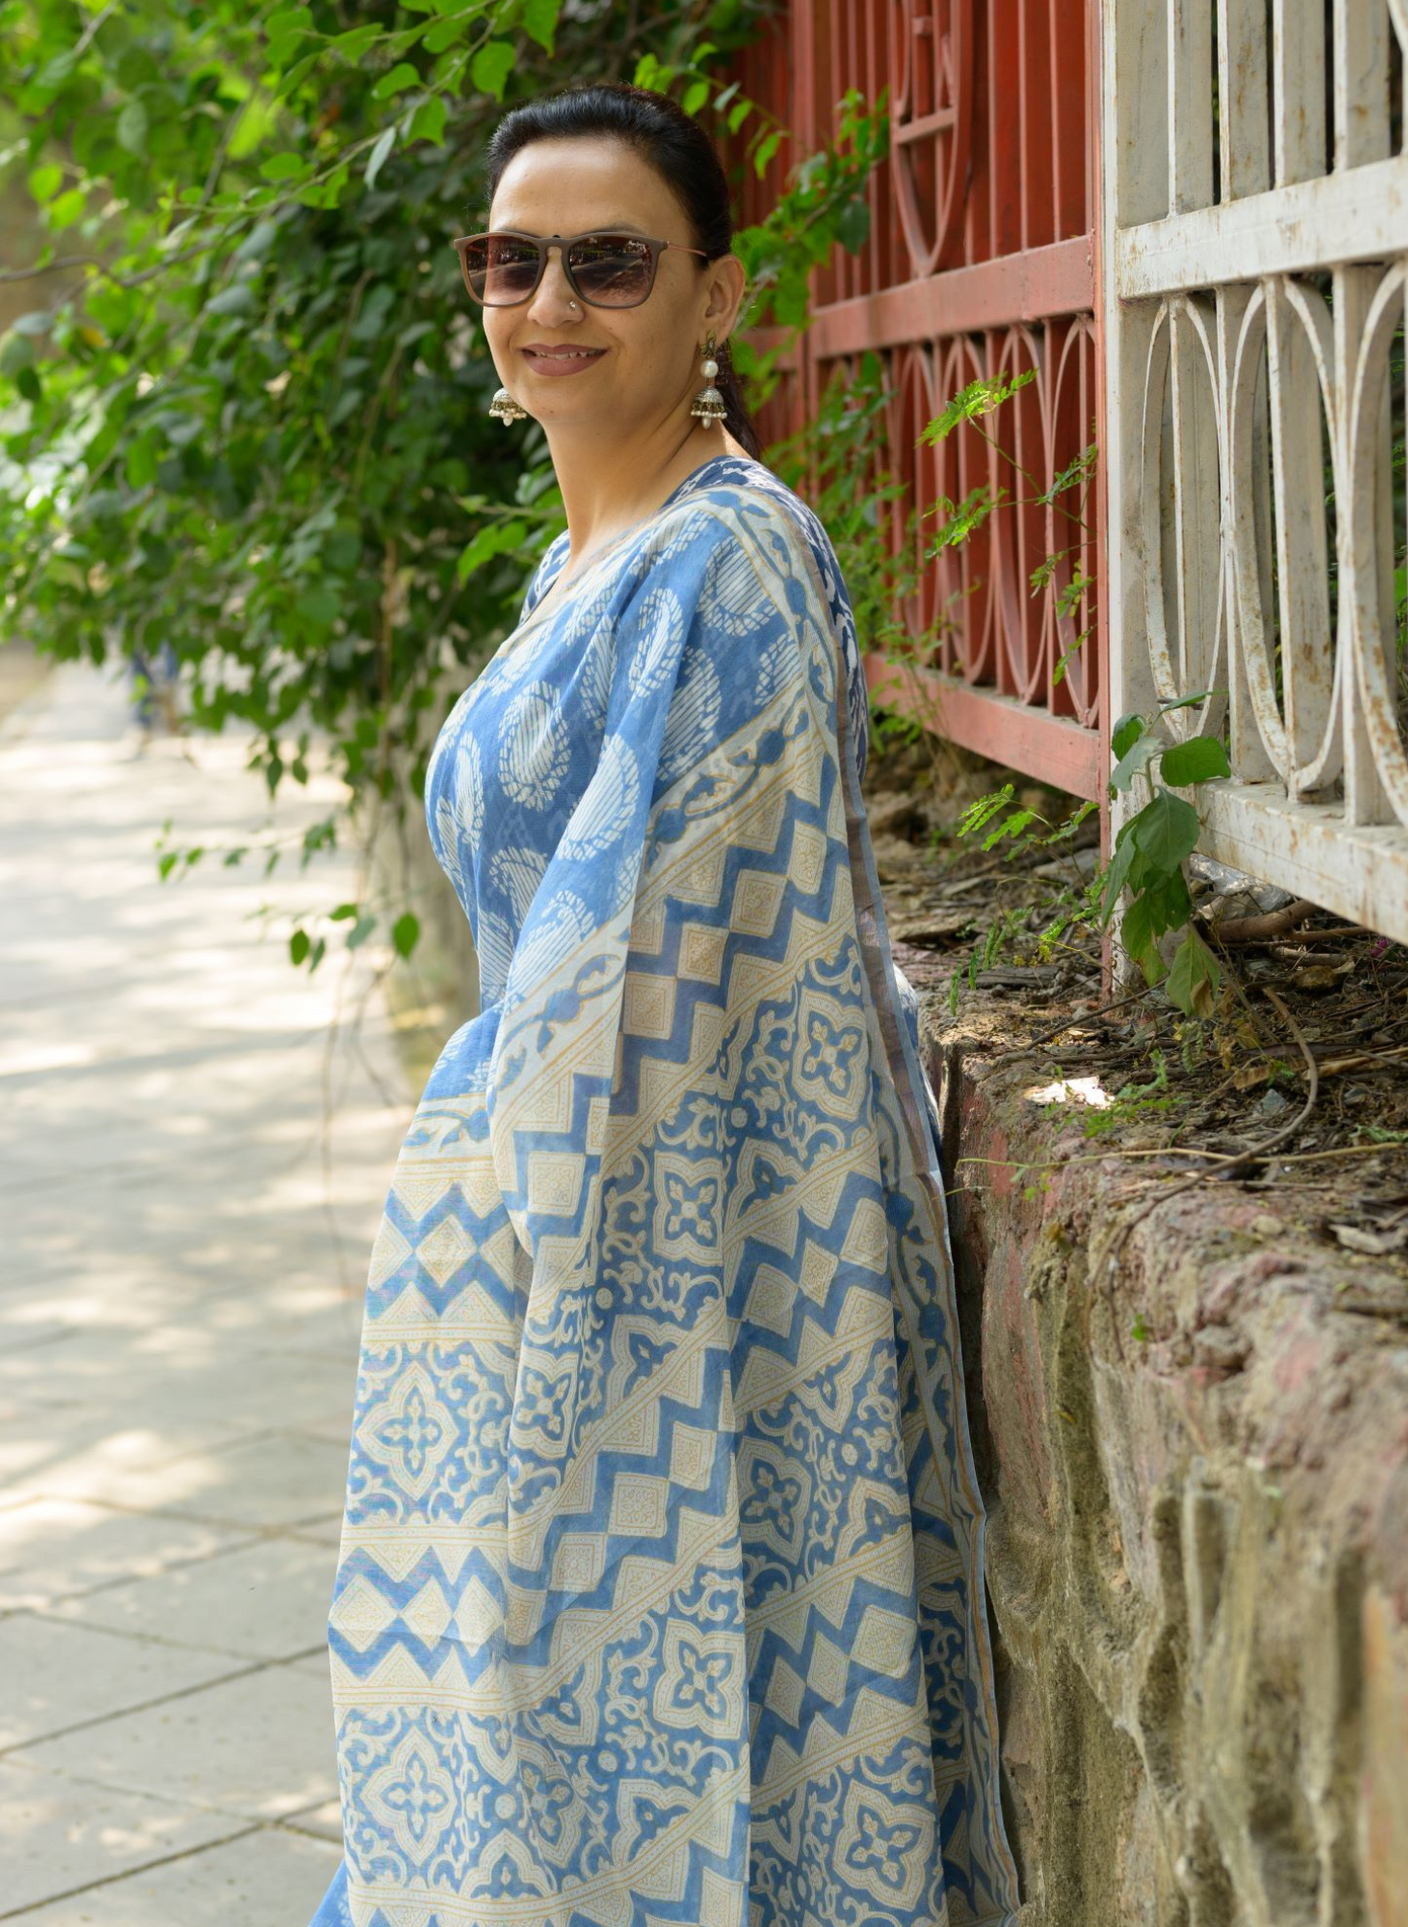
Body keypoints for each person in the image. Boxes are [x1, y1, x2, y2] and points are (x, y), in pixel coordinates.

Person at [307, 79, 1021, 1927]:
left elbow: (671, 988)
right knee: (534, 1753)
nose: (551, 298)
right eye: (510, 257)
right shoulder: (591, 556)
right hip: (573, 1241)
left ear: (712, 299)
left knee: (670, 1729)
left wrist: (536, 1247)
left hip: (689, 1252)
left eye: (610, 260)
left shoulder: (729, 568)